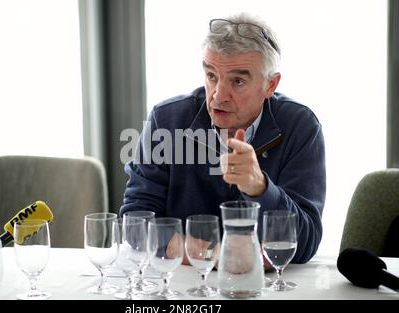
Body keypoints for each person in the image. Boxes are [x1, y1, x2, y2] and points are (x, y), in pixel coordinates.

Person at [120, 13, 326, 264]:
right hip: (184, 285)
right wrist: (211, 255)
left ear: (270, 85)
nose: (218, 95)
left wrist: (259, 187)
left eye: (237, 81)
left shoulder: (300, 126)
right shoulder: (167, 120)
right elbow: (135, 223)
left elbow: (306, 243)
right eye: (211, 76)